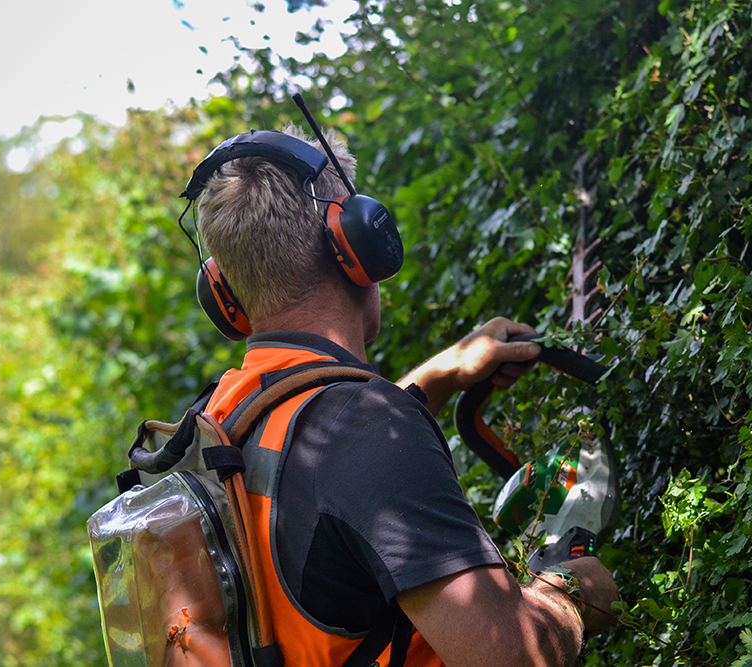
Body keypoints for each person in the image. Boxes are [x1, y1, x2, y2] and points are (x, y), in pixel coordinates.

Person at [192, 122, 619, 667]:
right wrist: (572, 595)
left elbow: (321, 476)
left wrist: (438, 376)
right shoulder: (361, 431)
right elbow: (510, 656)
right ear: (359, 244)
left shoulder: (225, 418)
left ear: (224, 291)